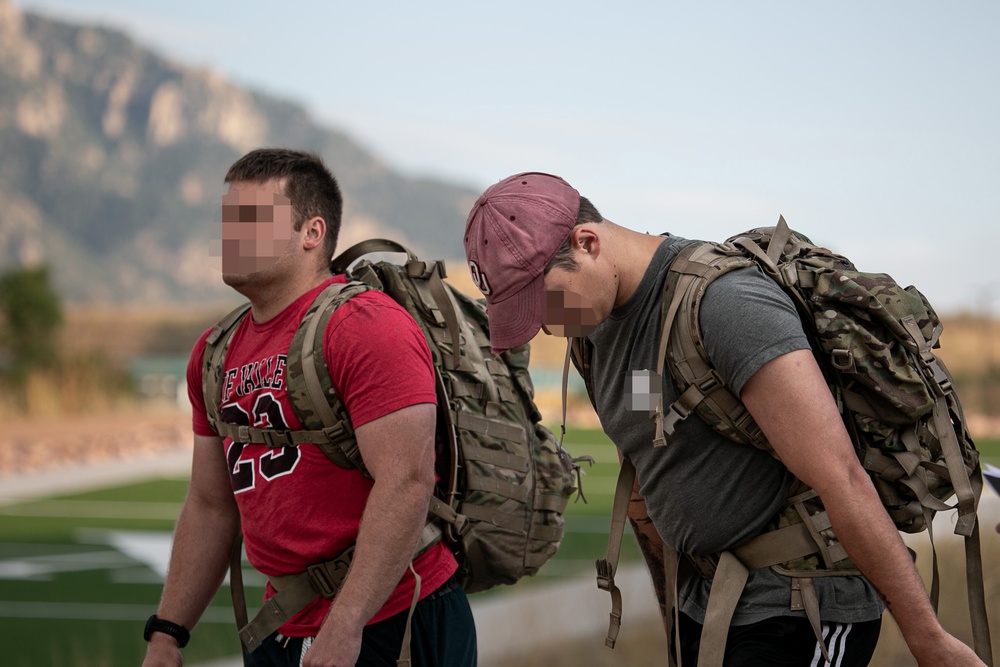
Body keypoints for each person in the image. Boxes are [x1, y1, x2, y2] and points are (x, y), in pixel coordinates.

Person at [462, 171, 985, 666]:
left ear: (587, 243)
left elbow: (841, 477)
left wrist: (928, 639)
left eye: (545, 303)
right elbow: (647, 475)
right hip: (707, 603)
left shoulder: (725, 305)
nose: (547, 328)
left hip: (803, 603)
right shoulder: (592, 336)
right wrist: (674, 625)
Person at [142, 148, 477, 667]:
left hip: (395, 616)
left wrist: (347, 623)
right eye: (227, 220)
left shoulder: (365, 326)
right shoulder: (213, 353)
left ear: (311, 233)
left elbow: (408, 480)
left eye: (249, 220)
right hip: (282, 625)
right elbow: (211, 503)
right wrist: (167, 633)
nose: (229, 235)